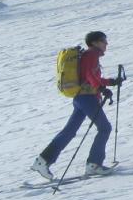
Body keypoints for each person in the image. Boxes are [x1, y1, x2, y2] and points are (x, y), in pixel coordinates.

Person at [31, 31, 121, 180]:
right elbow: (89, 76)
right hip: (88, 98)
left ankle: (43, 161)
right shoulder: (92, 55)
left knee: (69, 132)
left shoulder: (89, 55)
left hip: (81, 98)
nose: (106, 44)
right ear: (94, 42)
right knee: (105, 128)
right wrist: (100, 88)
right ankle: (94, 164)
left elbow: (91, 77)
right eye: (103, 40)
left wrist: (110, 82)